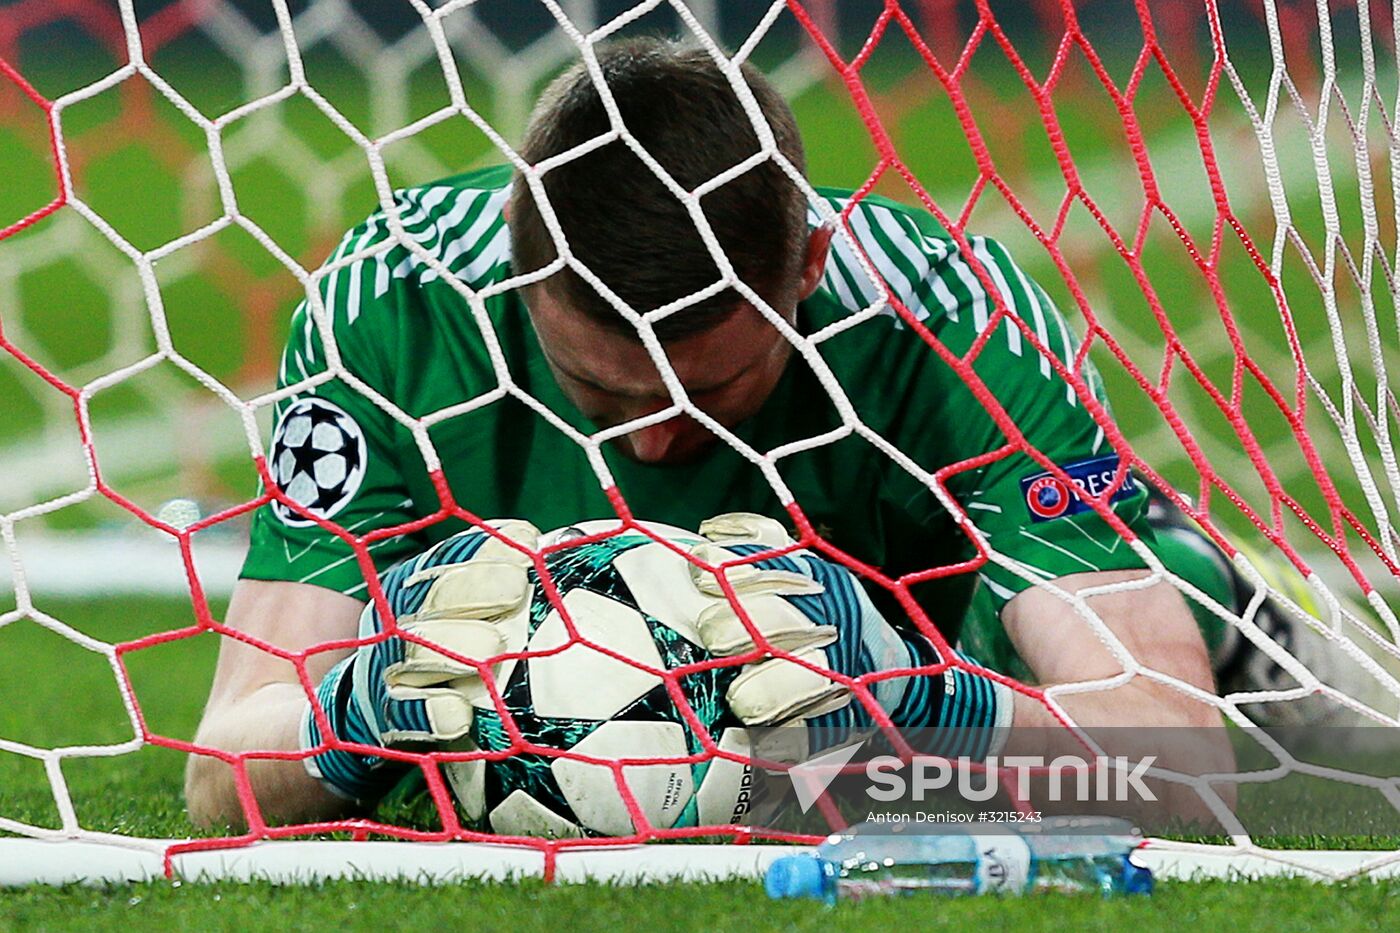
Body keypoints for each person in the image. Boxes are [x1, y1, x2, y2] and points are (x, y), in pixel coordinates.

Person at [186, 37, 1283, 829]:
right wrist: (352, 706)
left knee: (1117, 616)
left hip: (910, 705)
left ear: (806, 266)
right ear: (520, 265)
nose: (655, 448)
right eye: (598, 390)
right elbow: (218, 769)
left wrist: (925, 699)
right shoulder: (395, 303)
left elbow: (1184, 769)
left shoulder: (954, 321)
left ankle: (1217, 598)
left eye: (713, 390)